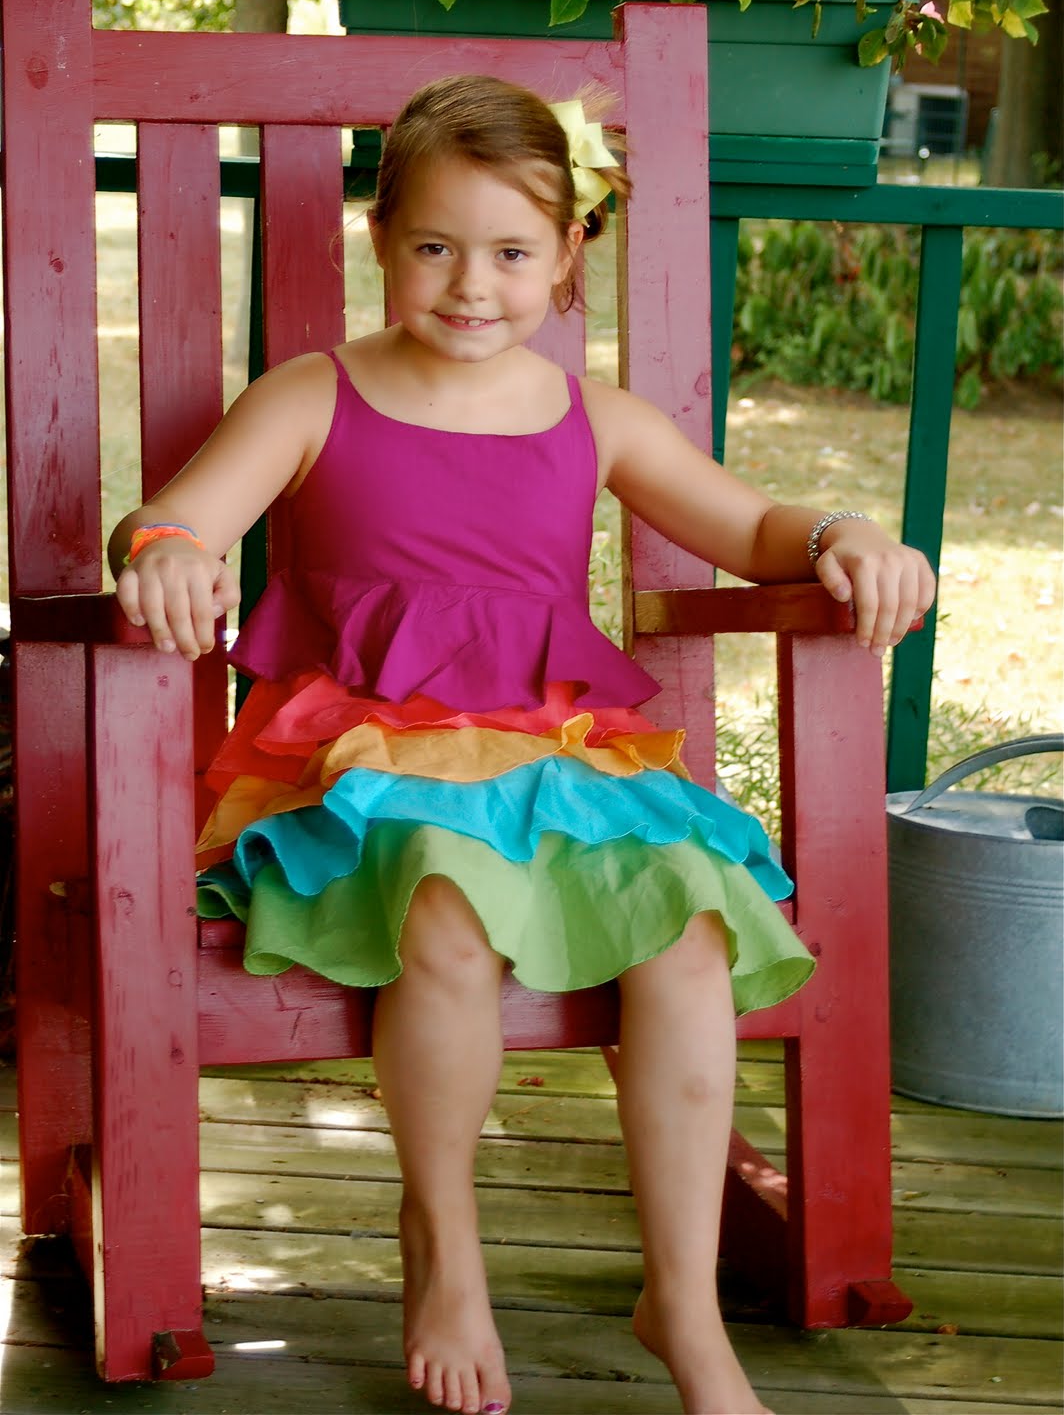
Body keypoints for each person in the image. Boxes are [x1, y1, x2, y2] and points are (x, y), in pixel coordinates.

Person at [109, 74, 935, 1415]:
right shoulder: (313, 395)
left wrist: (845, 532)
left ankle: (682, 1300)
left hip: (558, 760)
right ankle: (443, 1243)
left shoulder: (595, 419)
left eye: (509, 252)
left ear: (566, 256)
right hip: (369, 762)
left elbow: (750, 528)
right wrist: (164, 554)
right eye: (436, 246)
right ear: (382, 241)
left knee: (688, 931)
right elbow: (179, 515)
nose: (471, 284)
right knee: (445, 910)